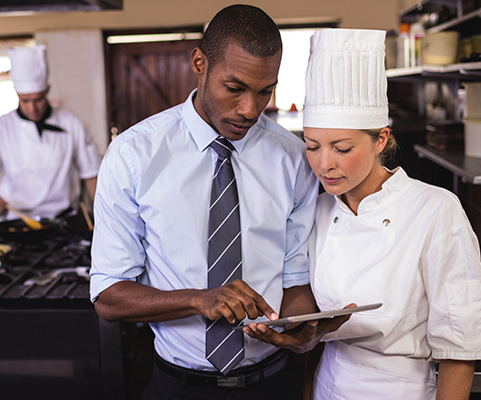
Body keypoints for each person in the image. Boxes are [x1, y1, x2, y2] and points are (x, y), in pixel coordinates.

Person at [89, 5, 350, 399]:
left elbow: (294, 278)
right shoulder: (133, 156)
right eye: (235, 88)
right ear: (199, 63)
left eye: (265, 91)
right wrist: (199, 299)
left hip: (272, 382)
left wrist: (301, 328)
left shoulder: (293, 159)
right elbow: (108, 296)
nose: (250, 109)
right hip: (177, 386)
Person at [244, 28, 481, 399]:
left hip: (400, 388)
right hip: (327, 384)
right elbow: (316, 332)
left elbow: (459, 349)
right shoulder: (317, 209)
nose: (324, 164)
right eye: (312, 146)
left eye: (342, 148)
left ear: (380, 139)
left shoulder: (435, 210)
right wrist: (298, 338)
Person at [0, 45, 101, 220]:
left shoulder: (71, 122)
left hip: (65, 220)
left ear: (47, 91)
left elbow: (91, 174)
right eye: (25, 100)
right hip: (19, 221)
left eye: (38, 100)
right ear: (17, 95)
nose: (32, 108)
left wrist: (102, 217)